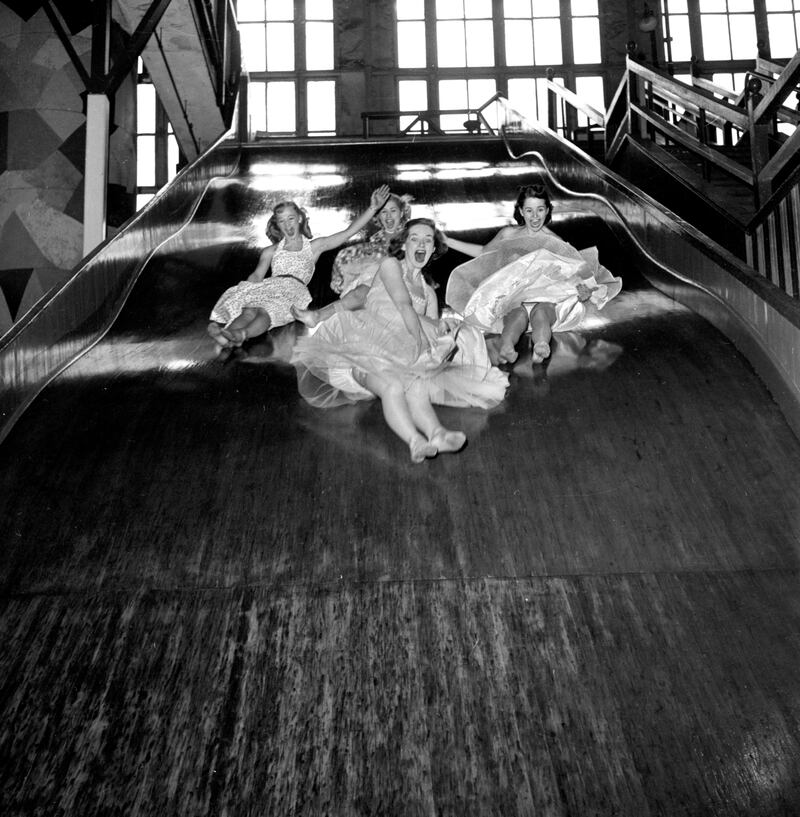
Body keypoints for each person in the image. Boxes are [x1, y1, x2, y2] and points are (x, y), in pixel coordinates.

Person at [291, 218, 508, 463]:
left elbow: (434, 332)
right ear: (404, 244)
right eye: (414, 238)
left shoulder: (428, 293)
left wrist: (441, 342)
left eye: (428, 239)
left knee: (415, 386)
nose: (421, 243)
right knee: (392, 385)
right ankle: (415, 441)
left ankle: (437, 433)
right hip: (359, 346)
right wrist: (423, 343)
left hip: (398, 355)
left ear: (434, 249)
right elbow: (404, 306)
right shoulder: (390, 265)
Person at [444, 184, 622, 365]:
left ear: (547, 211)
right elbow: (484, 253)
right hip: (514, 295)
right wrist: (448, 241)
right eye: (529, 210)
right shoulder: (508, 234)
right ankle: (506, 347)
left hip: (546, 296)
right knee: (516, 316)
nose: (535, 216)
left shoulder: (555, 242)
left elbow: (575, 270)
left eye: (540, 210)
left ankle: (541, 345)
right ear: (521, 211)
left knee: (542, 314)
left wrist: (587, 291)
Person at [207, 185, 391, 350]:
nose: (287, 225)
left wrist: (373, 208)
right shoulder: (270, 251)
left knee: (265, 312)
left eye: (291, 219)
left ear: (300, 219)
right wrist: (245, 290)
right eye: (282, 221)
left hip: (292, 290)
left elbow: (348, 232)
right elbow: (257, 275)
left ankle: (242, 335)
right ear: (277, 225)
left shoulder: (314, 247)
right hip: (270, 286)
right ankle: (227, 334)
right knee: (249, 309)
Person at [291, 191, 414, 329]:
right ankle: (322, 317)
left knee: (362, 292)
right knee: (357, 293)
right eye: (384, 212)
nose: (389, 216)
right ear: (378, 216)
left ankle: (319, 316)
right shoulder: (374, 242)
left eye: (393, 210)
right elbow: (354, 260)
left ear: (402, 212)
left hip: (401, 283)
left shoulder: (411, 234)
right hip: (374, 285)